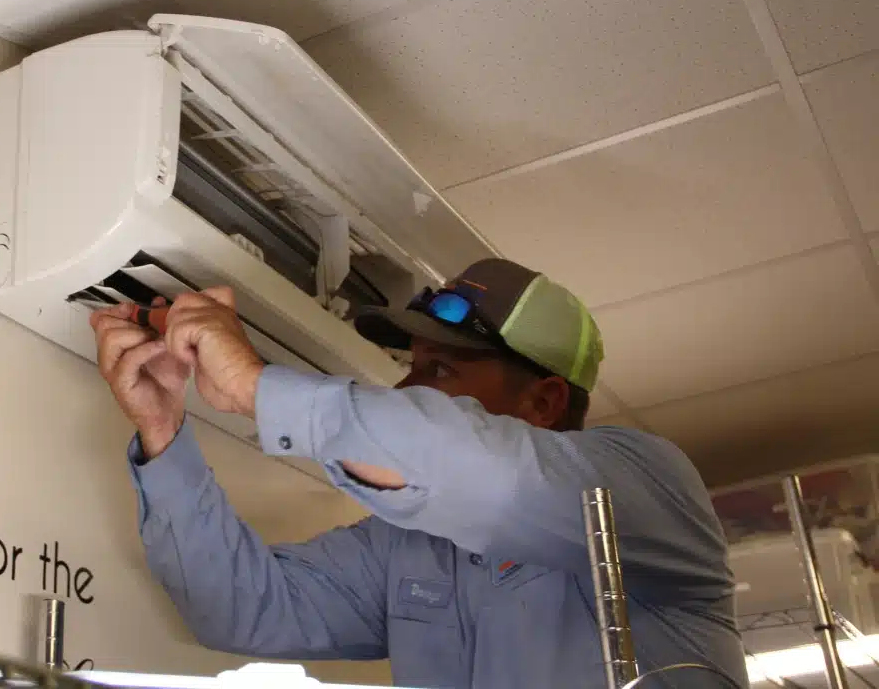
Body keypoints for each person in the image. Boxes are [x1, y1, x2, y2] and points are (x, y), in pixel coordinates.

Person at [90, 258, 747, 689]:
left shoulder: (644, 483)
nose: (408, 388)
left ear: (543, 402)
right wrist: (163, 432)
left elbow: (481, 472)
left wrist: (259, 386)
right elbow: (241, 611)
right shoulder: (408, 551)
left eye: (439, 372)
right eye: (411, 366)